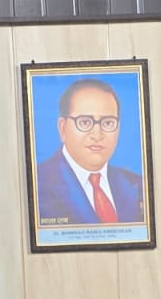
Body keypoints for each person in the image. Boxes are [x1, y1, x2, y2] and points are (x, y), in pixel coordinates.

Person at [34, 78, 144, 226]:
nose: (97, 135)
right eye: (85, 122)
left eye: (108, 123)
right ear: (63, 128)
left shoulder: (139, 185)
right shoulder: (37, 184)